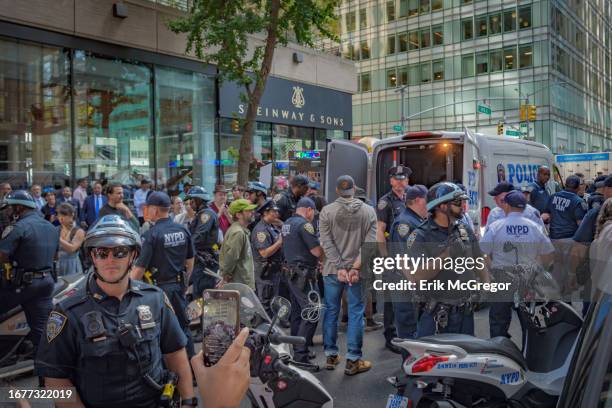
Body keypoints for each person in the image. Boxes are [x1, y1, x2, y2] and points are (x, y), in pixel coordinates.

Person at [34, 215, 197, 408]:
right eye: (102, 253)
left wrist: (188, 401)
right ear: (93, 257)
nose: (110, 259)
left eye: (119, 252)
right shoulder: (67, 312)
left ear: (133, 256)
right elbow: (55, 379)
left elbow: (175, 353)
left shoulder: (155, 298)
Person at [407, 182, 490, 337]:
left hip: (465, 312)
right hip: (436, 315)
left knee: (465, 358)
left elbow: (479, 260)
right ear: (442, 206)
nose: (463, 206)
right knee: (434, 359)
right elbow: (417, 275)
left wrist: (486, 285)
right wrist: (447, 254)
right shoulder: (420, 236)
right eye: (458, 202)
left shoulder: (464, 231)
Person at [319, 176, 376, 375]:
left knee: (331, 312)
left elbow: (326, 242)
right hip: (356, 273)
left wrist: (340, 267)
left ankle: (331, 355)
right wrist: (355, 268)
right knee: (356, 313)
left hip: (332, 271)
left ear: (337, 190)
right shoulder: (369, 211)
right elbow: (369, 246)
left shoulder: (326, 211)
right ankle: (353, 360)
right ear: (354, 189)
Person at [480, 190, 554, 339]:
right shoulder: (535, 227)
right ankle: (530, 356)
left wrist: (491, 268)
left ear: (506, 205)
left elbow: (481, 252)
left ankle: (499, 352)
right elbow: (549, 254)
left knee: (498, 321)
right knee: (530, 321)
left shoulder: (496, 227)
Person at [132, 192, 196, 358]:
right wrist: (183, 282)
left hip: (159, 289)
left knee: (162, 330)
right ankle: (191, 369)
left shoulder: (151, 235)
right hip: (179, 285)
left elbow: (138, 270)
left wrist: (128, 289)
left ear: (154, 210)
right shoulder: (183, 229)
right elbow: (190, 261)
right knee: (183, 326)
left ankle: (169, 371)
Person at [0, 191, 58, 354]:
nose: (7, 212)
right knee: (43, 334)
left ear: (19, 207)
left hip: (22, 285)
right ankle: (47, 375)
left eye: (10, 208)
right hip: (46, 284)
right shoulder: (50, 227)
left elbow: (2, 256)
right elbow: (55, 256)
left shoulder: (17, 227)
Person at [281, 197, 323, 363]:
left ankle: (298, 349)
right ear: (309, 210)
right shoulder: (305, 225)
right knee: (312, 311)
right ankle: (301, 355)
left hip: (291, 274)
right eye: (313, 213)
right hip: (304, 276)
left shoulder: (287, 223)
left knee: (298, 313)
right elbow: (316, 251)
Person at [376, 164, 411, 353]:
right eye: (396, 179)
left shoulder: (411, 199)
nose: (400, 183)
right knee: (391, 297)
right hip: (393, 255)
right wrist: (385, 257)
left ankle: (407, 331)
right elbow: (380, 231)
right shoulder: (385, 202)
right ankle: (391, 336)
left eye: (403, 179)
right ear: (391, 181)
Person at [389, 185, 428, 341]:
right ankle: (408, 364)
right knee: (409, 331)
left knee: (419, 330)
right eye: (427, 200)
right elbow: (404, 258)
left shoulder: (417, 220)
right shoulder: (404, 224)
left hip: (416, 283)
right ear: (418, 200)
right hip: (406, 285)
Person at [545, 175, 588, 291]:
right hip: (569, 239)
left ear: (565, 184)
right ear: (578, 187)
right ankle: (566, 301)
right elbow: (581, 224)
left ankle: (555, 297)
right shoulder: (578, 201)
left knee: (557, 269)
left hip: (553, 238)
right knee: (569, 271)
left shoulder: (553, 197)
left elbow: (547, 215)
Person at [251, 199, 285, 315]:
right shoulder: (260, 230)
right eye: (273, 212)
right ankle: (263, 331)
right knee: (265, 306)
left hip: (274, 272)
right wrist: (279, 242)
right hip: (265, 274)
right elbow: (264, 253)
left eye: (276, 211)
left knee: (273, 304)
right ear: (265, 213)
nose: (276, 214)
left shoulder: (272, 227)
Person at [185, 186, 220, 297]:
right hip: (200, 260)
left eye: (192, 200)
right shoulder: (201, 214)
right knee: (196, 292)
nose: (190, 203)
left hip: (205, 262)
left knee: (202, 295)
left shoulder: (206, 214)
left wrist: (186, 249)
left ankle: (204, 315)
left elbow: (199, 236)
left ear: (198, 200)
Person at [219, 199, 257, 289]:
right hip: (239, 285)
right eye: (248, 211)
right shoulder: (238, 232)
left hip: (241, 284)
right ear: (238, 215)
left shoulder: (240, 230)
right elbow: (231, 257)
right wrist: (225, 277)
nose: (252, 212)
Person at [57, 203, 85, 276]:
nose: (60, 218)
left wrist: (57, 238)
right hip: (58, 265)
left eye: (63, 215)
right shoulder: (57, 229)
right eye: (59, 215)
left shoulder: (79, 231)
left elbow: (72, 249)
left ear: (72, 215)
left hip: (72, 265)